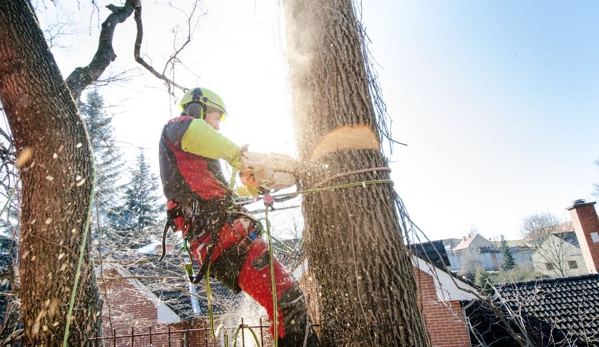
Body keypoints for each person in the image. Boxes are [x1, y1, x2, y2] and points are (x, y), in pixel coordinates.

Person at [159, 87, 319, 346]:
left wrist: (255, 186)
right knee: (287, 301)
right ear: (196, 109)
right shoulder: (177, 128)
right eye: (215, 118)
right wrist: (239, 157)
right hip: (224, 240)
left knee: (287, 301)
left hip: (227, 239)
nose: (217, 127)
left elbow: (224, 196)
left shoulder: (199, 159)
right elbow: (200, 134)